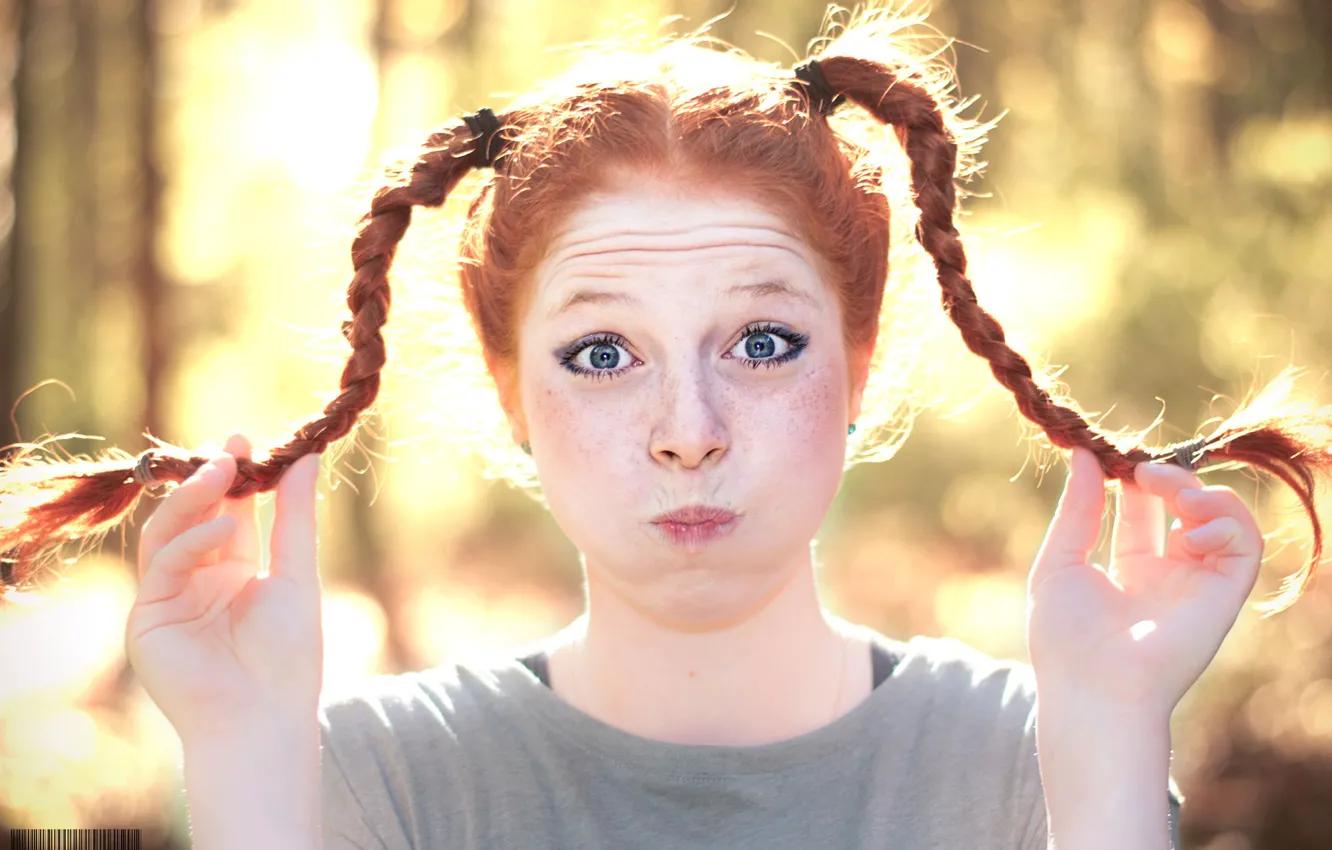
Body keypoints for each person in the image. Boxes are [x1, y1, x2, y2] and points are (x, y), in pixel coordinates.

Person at [1, 6, 1329, 849]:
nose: (688, 428)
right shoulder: (365, 779)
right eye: (601, 353)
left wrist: (1105, 738)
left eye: (762, 342)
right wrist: (238, 756)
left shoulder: (1033, 752)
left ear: (860, 363)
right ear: (512, 394)